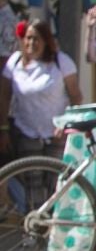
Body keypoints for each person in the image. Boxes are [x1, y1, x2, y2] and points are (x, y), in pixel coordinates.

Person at [2, 18, 81, 167]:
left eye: (37, 39)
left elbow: (76, 96)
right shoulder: (15, 62)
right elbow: (4, 96)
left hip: (57, 133)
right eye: (28, 38)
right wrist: (4, 129)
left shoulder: (61, 62)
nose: (31, 43)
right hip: (26, 132)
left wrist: (66, 123)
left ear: (46, 41)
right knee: (32, 183)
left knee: (56, 182)